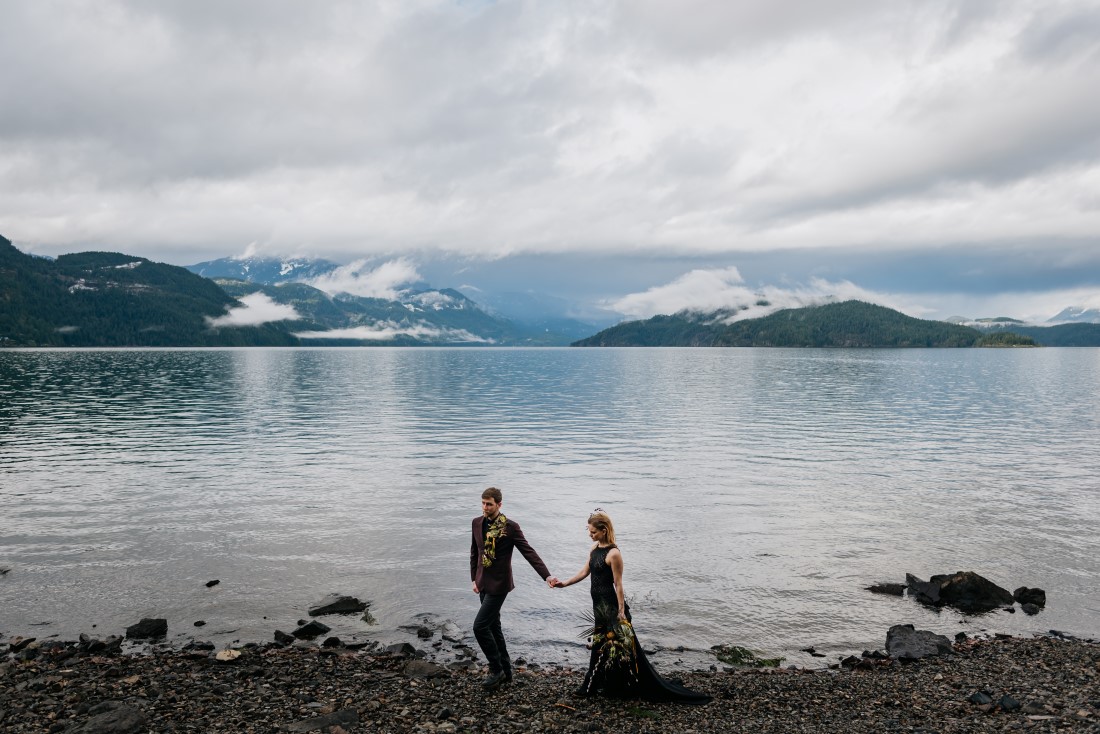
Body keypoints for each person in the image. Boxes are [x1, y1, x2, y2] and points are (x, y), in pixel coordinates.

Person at [553, 510, 711, 704]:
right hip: (599, 607)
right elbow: (585, 571)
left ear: (604, 530)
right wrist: (564, 583)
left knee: (610, 647)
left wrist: (621, 611)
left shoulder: (614, 554)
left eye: (593, 532)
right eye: (589, 531)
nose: (590, 535)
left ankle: (589, 686)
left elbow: (618, 585)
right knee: (608, 647)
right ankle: (613, 684)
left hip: (611, 608)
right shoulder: (594, 549)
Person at [470, 487, 558, 690]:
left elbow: (529, 552)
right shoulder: (476, 523)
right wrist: (473, 578)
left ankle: (496, 669)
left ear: (499, 505)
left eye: (489, 504)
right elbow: (474, 551)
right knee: (493, 627)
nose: (485, 507)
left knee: (479, 627)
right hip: (482, 582)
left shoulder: (510, 527)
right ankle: (507, 671)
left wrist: (547, 575)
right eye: (483, 503)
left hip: (499, 585)